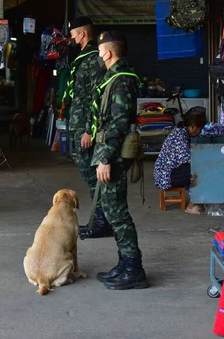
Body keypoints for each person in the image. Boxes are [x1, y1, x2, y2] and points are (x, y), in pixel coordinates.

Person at [90, 31, 148, 290]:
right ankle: (125, 264)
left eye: (100, 52)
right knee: (113, 211)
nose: (99, 57)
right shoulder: (113, 78)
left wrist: (105, 158)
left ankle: (133, 269)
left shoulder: (121, 80)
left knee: (117, 213)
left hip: (113, 154)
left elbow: (119, 122)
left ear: (108, 53)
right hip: (109, 151)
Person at [62, 16, 113, 239]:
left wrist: (89, 130)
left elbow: (96, 96)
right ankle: (99, 219)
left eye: (73, 35)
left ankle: (102, 222)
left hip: (85, 127)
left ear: (81, 34)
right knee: (89, 175)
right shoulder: (83, 57)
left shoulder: (93, 59)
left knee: (94, 176)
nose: (72, 39)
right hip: (79, 124)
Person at [154, 107, 207, 214]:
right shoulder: (180, 136)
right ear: (193, 127)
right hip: (165, 177)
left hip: (168, 173)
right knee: (197, 171)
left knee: (194, 168)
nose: (199, 132)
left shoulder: (181, 132)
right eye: (199, 129)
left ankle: (196, 200)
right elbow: (188, 158)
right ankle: (192, 205)